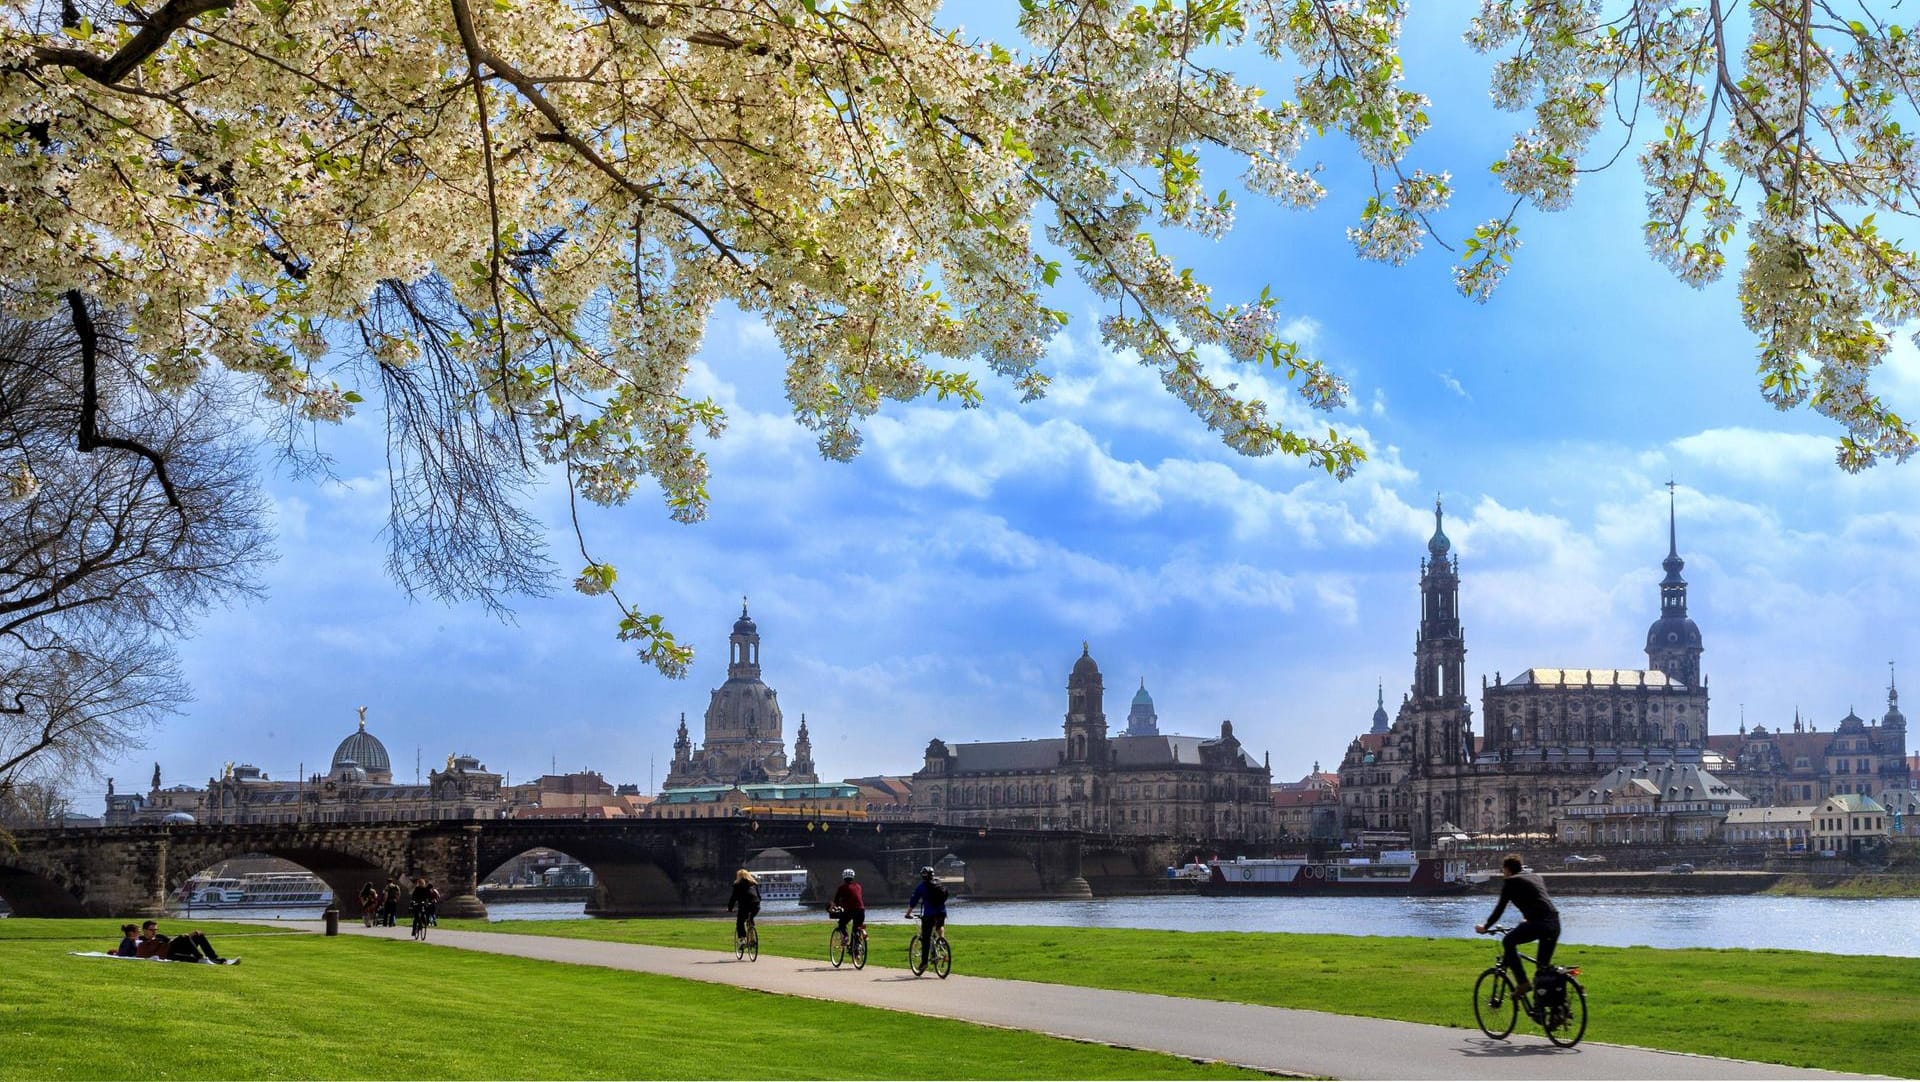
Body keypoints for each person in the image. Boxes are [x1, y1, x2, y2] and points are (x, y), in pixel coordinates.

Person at [1475, 852, 1560, 994]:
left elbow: (1499, 909)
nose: (1503, 874)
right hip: (1554, 922)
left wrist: (1485, 927)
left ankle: (1522, 983)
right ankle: (1550, 1010)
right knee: (1542, 969)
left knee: (1508, 942)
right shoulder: (1536, 877)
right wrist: (1527, 918)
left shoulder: (1510, 882)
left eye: (1503, 871)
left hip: (1539, 924)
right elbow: (1536, 900)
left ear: (1507, 870)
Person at [135, 920, 230, 964]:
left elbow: (173, 942)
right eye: (152, 930)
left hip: (173, 950)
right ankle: (201, 958)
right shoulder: (141, 940)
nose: (154, 932)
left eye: (156, 929)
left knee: (198, 935)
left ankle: (214, 958)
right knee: (183, 937)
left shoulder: (159, 936)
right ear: (145, 930)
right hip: (166, 954)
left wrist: (190, 936)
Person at [904, 866, 949, 958]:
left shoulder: (921, 887)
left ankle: (924, 963)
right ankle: (941, 941)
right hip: (942, 912)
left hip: (929, 914)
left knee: (926, 938)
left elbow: (914, 901)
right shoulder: (939, 883)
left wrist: (908, 913)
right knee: (939, 926)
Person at [828, 868, 865, 946]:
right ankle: (856, 951)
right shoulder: (858, 886)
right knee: (856, 929)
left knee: (841, 923)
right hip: (861, 910)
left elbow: (835, 901)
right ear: (853, 877)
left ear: (843, 877)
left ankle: (845, 936)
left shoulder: (842, 888)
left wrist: (831, 909)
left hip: (851, 910)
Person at [727, 869, 760, 948]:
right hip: (755, 905)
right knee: (750, 919)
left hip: (744, 906)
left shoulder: (737, 885)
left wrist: (730, 908)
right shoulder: (754, 883)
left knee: (740, 922)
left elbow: (733, 898)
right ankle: (752, 939)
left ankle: (742, 940)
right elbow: (759, 896)